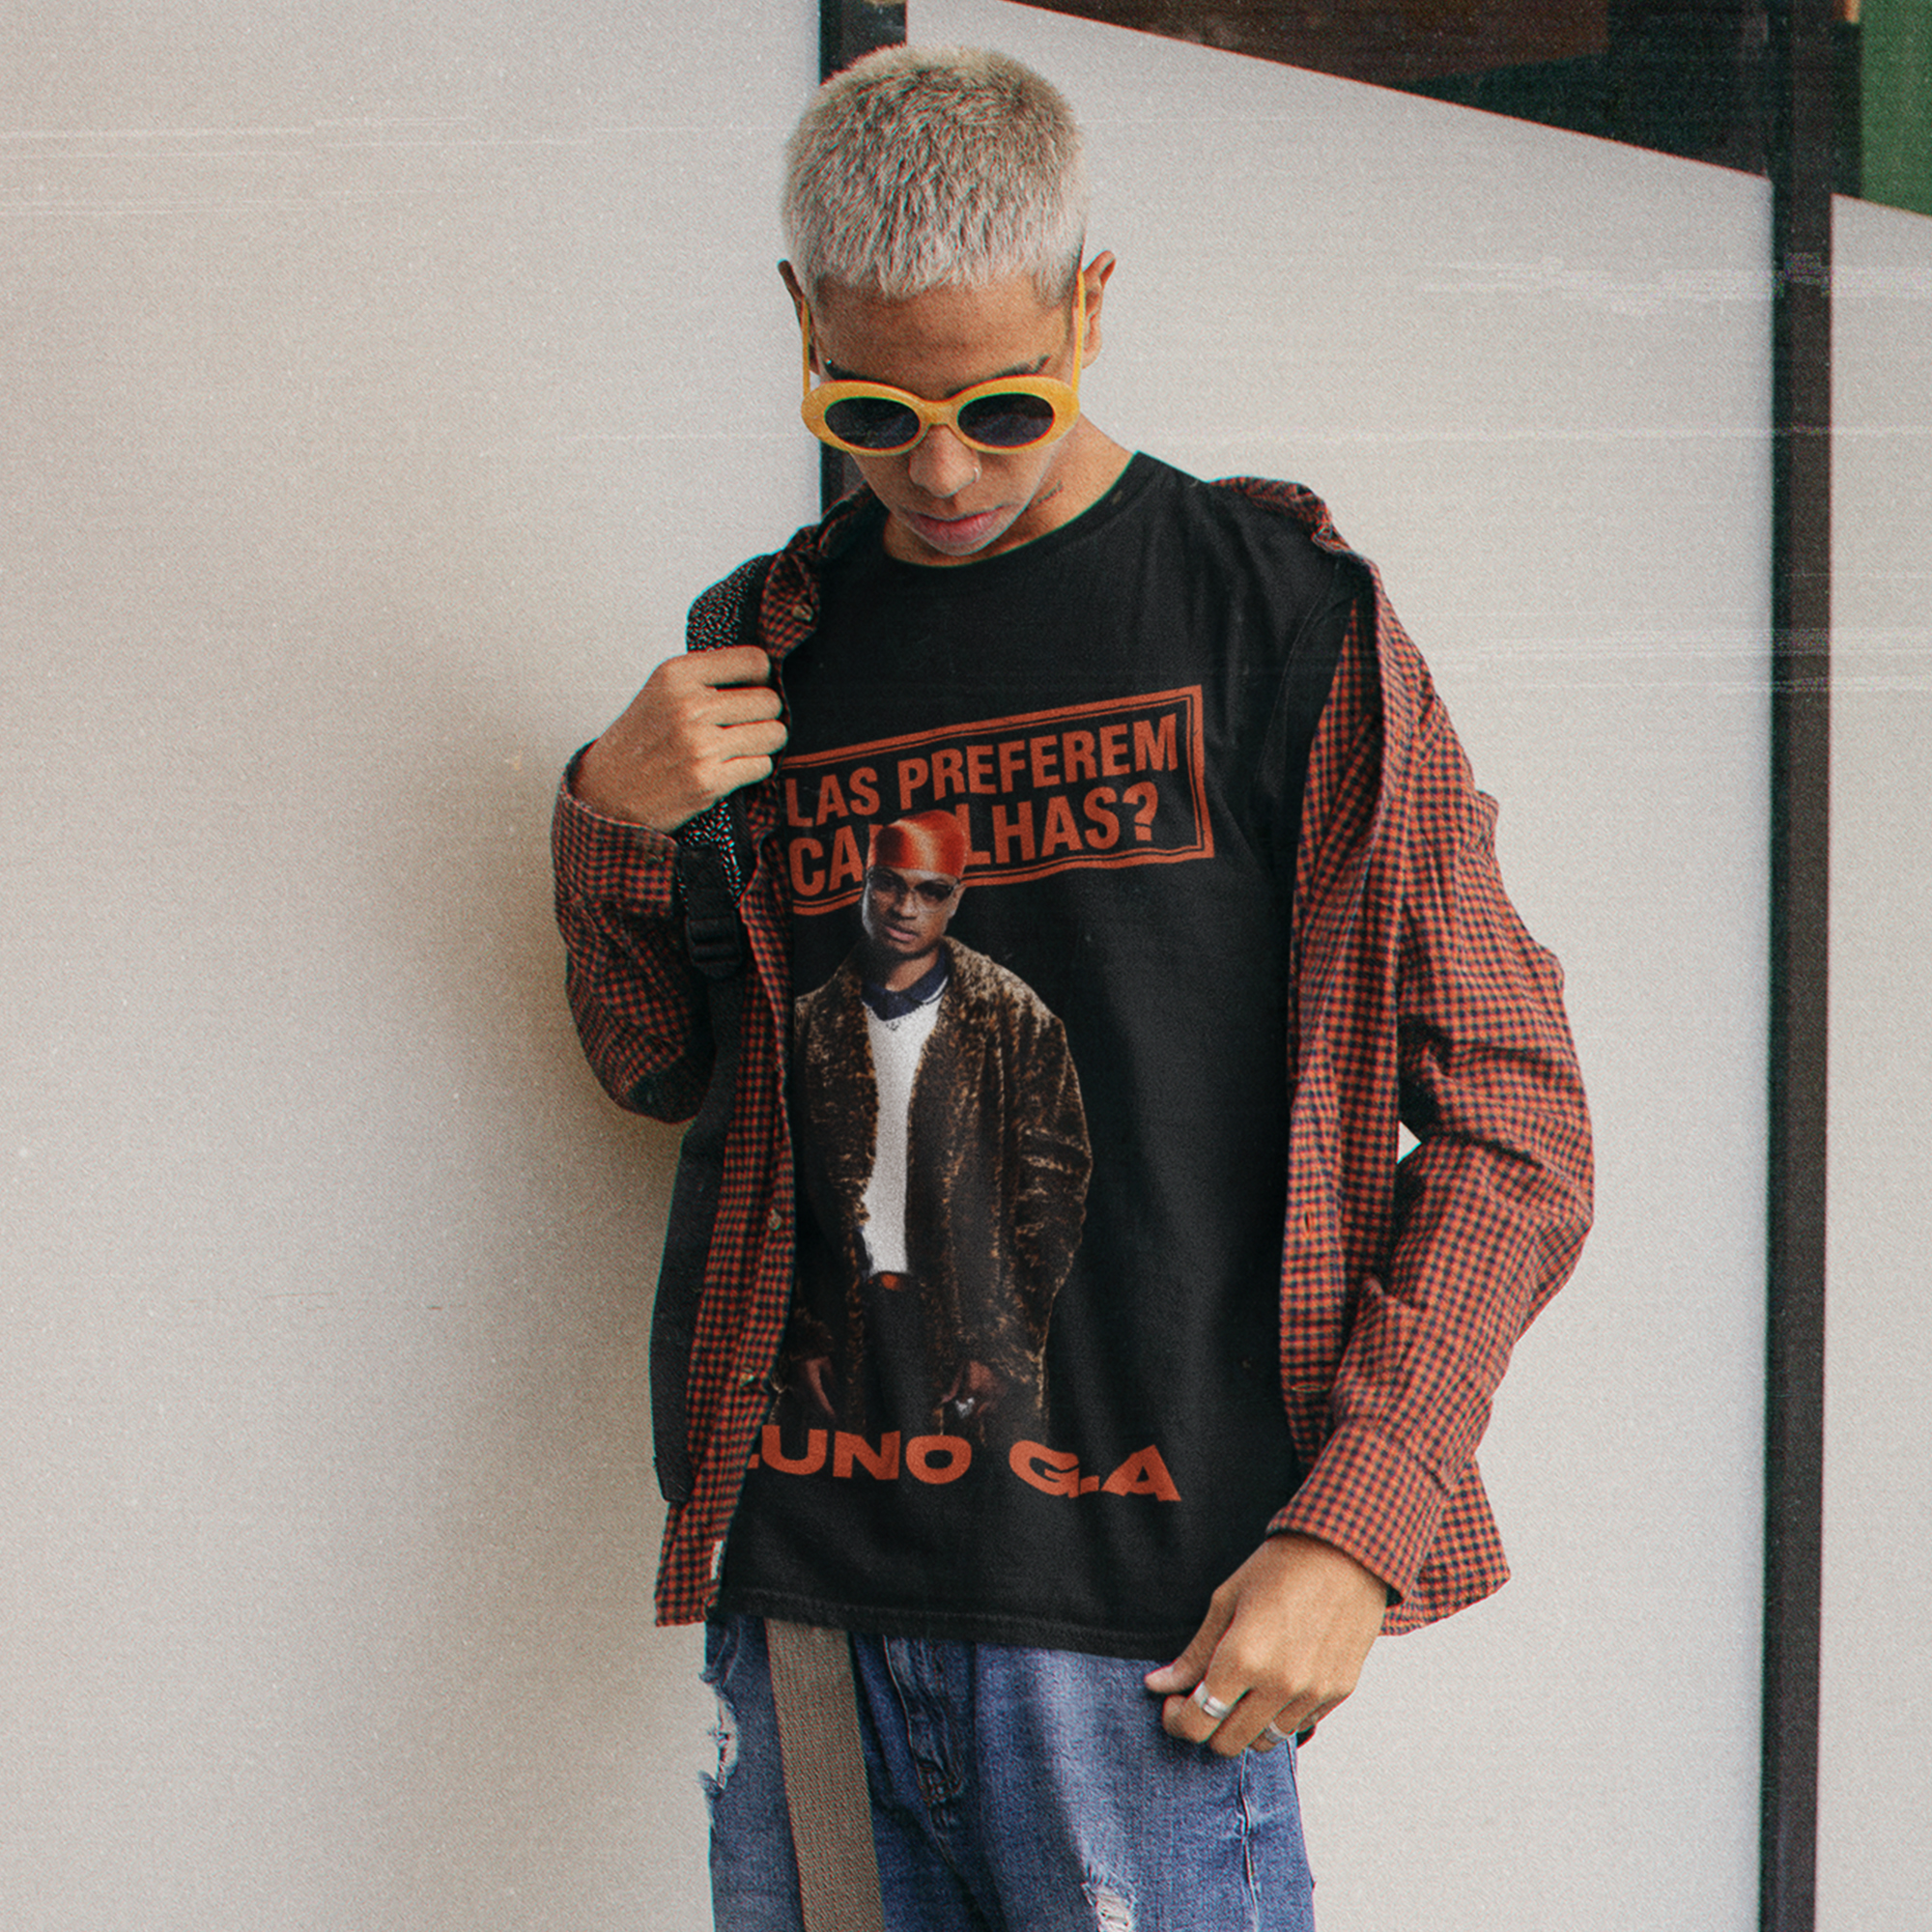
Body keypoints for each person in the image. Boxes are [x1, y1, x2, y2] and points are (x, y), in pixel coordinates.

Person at [552, 43, 1592, 1931]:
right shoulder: (764, 648)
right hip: (811, 1591)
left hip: (1148, 1625)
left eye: (1003, 403)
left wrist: (1355, 1527)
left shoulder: (1281, 624)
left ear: (1090, 304)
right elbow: (665, 1065)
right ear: (799, 320)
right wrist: (614, 821)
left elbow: (1516, 1126)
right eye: (872, 408)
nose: (938, 470)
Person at [786, 810, 1092, 1448]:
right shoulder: (808, 1023)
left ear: (957, 899)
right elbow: (780, 1194)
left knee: (985, 1491)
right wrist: (803, 1332)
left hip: (967, 1337)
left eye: (931, 891)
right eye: (889, 884)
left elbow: (1054, 1188)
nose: (905, 908)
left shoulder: (1014, 1017)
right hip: (844, 1335)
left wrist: (999, 1342)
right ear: (865, 882)